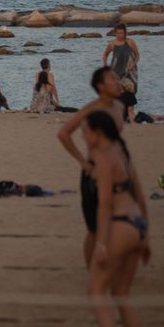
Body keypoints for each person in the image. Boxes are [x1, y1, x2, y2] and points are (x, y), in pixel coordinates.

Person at [82, 110, 150, 327]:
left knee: (96, 289)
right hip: (136, 224)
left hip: (119, 225)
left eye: (85, 131)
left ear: (97, 132)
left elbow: (105, 203)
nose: (83, 135)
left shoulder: (101, 156)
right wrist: (146, 237)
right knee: (122, 291)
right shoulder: (121, 151)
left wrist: (101, 242)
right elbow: (140, 195)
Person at [57, 67, 129, 267]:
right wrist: (83, 162)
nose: (117, 81)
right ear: (100, 86)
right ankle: (92, 271)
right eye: (112, 79)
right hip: (94, 173)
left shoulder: (119, 107)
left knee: (117, 221)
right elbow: (63, 133)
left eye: (117, 77)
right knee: (94, 229)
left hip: (118, 171)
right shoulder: (91, 110)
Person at [104, 24, 141, 121]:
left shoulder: (130, 42)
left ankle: (130, 115)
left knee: (130, 93)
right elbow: (105, 55)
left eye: (122, 33)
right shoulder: (112, 44)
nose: (120, 35)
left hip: (130, 72)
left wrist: (133, 64)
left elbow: (137, 56)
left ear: (125, 33)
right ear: (115, 33)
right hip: (115, 73)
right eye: (118, 33)